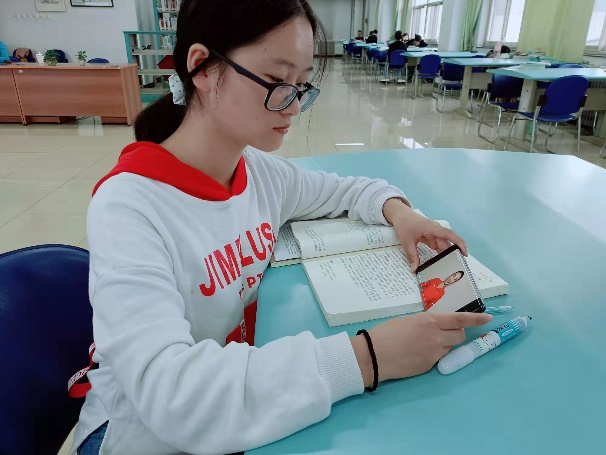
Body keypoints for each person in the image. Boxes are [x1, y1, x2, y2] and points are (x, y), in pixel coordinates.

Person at [70, 1, 493, 454]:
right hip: (138, 434)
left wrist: (401, 214)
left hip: (233, 403)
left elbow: (348, 190)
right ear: (203, 68)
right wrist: (369, 356)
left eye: (301, 84)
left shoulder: (258, 171)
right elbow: (171, 397)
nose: (293, 106)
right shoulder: (130, 206)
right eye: (276, 82)